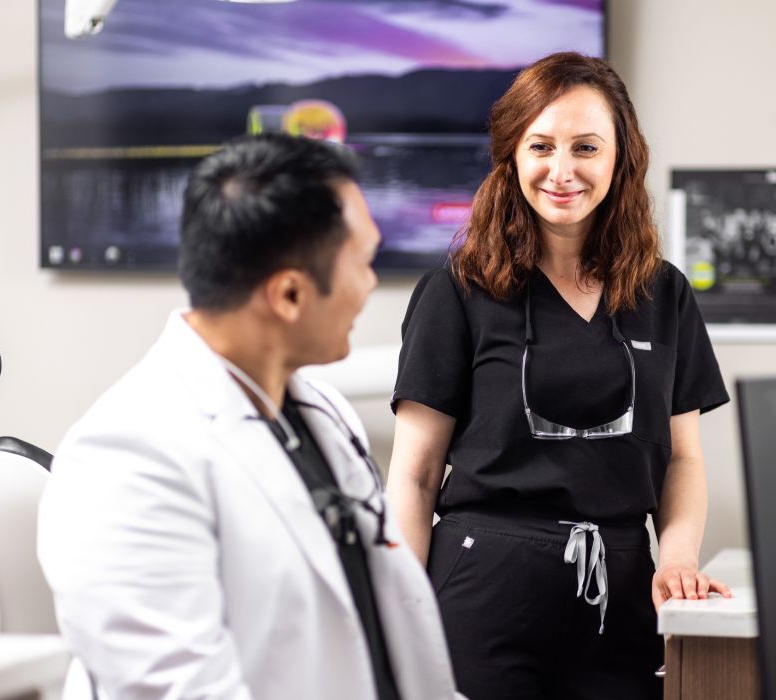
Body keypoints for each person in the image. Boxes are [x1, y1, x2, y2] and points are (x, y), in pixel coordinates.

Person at [38, 134, 463, 700]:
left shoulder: (323, 414)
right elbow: (182, 690)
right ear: (288, 295)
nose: (370, 284)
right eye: (363, 262)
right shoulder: (126, 459)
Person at [386, 52, 732, 700]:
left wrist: (679, 555)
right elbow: (414, 473)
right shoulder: (456, 292)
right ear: (512, 155)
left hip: (623, 596)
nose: (562, 170)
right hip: (481, 593)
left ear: (619, 157)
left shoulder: (665, 294)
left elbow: (682, 460)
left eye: (586, 147)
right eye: (540, 145)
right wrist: (400, 616)